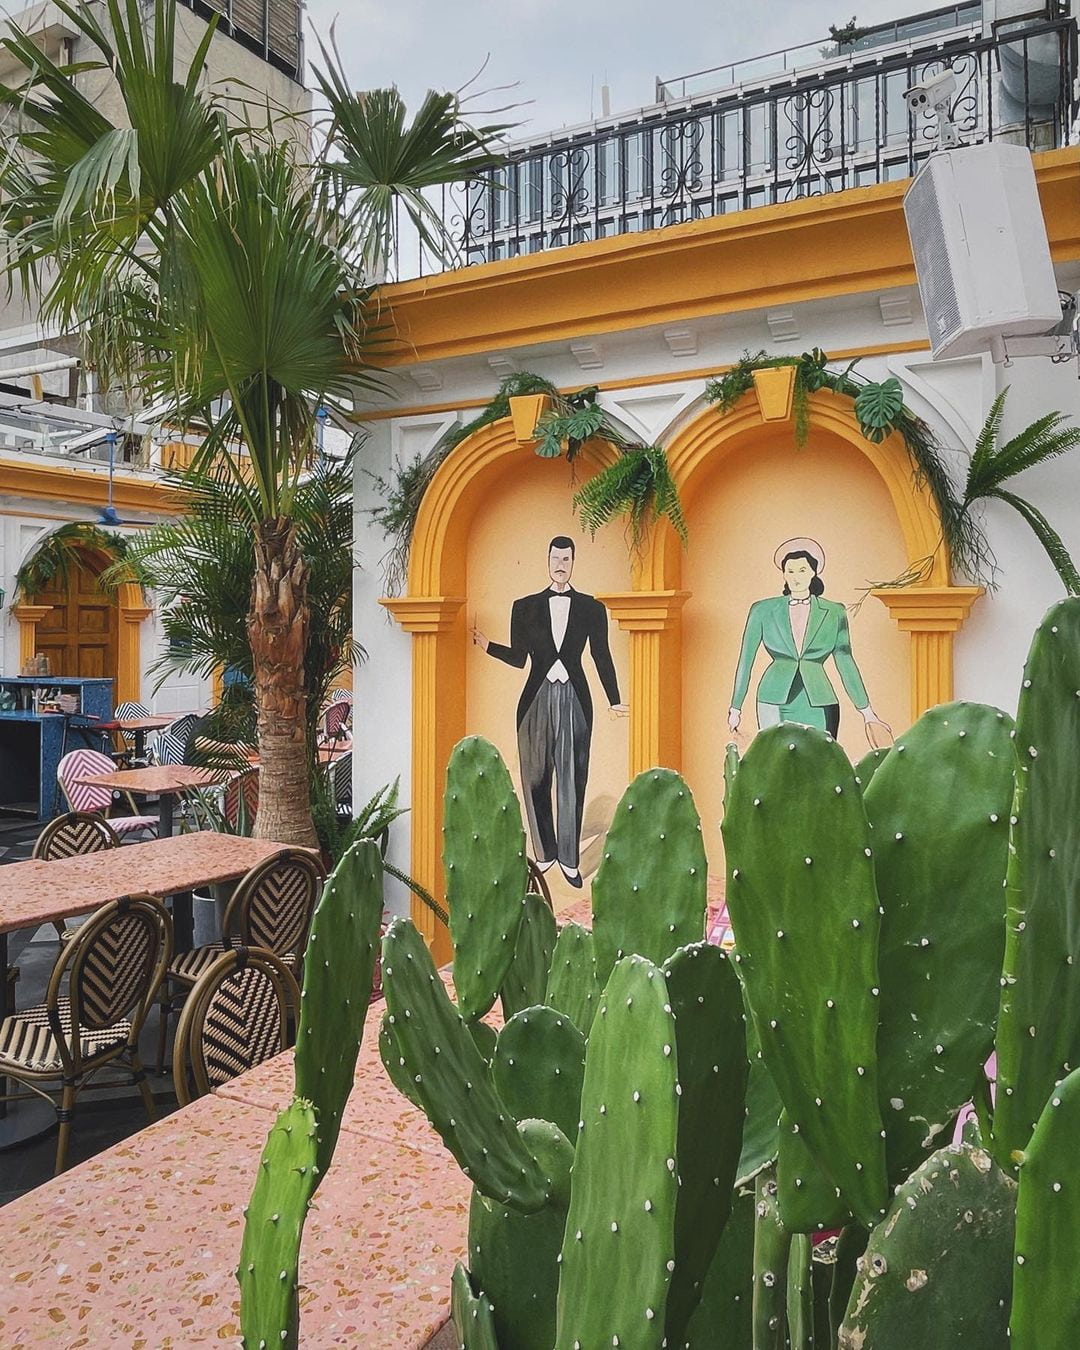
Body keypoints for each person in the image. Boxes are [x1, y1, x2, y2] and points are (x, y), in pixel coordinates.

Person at [472, 536, 628, 887]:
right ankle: (544, 854)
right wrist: (487, 646)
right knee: (535, 776)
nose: (560, 565)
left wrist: (614, 699)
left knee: (573, 776)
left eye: (566, 559)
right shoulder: (524, 607)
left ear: (573, 562)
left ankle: (569, 860)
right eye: (555, 558)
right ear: (547, 560)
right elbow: (519, 658)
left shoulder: (591, 608)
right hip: (535, 699)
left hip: (575, 698)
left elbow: (601, 655)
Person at [727, 536, 890, 742]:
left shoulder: (834, 612)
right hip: (772, 698)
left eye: (802, 570)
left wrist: (866, 711)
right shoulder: (762, 610)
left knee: (819, 758)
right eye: (790, 571)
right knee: (776, 757)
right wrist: (736, 708)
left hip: (820, 700)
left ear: (814, 572)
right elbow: (746, 659)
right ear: (784, 574)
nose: (796, 577)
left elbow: (845, 661)